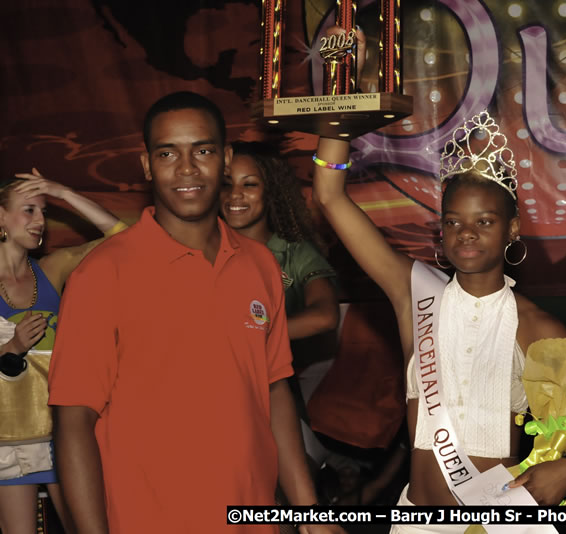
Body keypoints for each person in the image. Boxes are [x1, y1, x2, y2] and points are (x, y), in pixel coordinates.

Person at [312, 29, 566, 530]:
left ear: (512, 229)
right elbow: (329, 195)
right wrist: (347, 92)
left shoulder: (538, 328)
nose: (466, 234)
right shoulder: (416, 295)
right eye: (453, 221)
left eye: (484, 222)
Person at [47, 91, 344, 534]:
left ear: (225, 159)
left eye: (202, 151)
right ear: (148, 166)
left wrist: (307, 514)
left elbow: (275, 391)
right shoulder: (103, 272)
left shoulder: (260, 264)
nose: (186, 169)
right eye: (168, 153)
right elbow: (73, 422)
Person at [0, 169, 125, 534]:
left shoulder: (52, 270)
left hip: (63, 434)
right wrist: (11, 347)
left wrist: (64, 192)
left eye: (43, 211)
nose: (40, 221)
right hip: (8, 439)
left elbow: (123, 236)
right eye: (29, 210)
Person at [220, 141, 340, 469]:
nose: (235, 195)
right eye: (226, 184)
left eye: (250, 184)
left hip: (273, 397)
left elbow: (325, 316)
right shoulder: (199, 248)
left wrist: (245, 334)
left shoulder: (294, 254)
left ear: (270, 191)